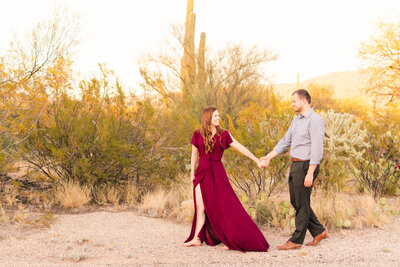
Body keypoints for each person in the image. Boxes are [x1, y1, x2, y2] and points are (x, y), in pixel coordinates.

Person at [183, 106, 269, 252]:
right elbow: (194, 155)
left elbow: (239, 147)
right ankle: (196, 238)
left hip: (217, 174)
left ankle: (233, 238)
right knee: (200, 206)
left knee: (225, 206)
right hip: (201, 173)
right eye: (215, 116)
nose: (218, 118)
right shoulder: (197, 134)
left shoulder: (223, 134)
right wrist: (192, 174)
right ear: (207, 117)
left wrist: (256, 160)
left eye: (218, 115)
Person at [260, 89, 328, 250]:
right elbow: (285, 141)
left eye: (294, 101)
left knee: (302, 203)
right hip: (295, 164)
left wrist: (311, 172)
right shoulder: (296, 120)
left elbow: (317, 149)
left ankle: (297, 239)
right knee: (296, 201)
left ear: (304, 101)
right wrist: (268, 157)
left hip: (306, 165)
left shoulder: (315, 120)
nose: (292, 104)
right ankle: (319, 231)